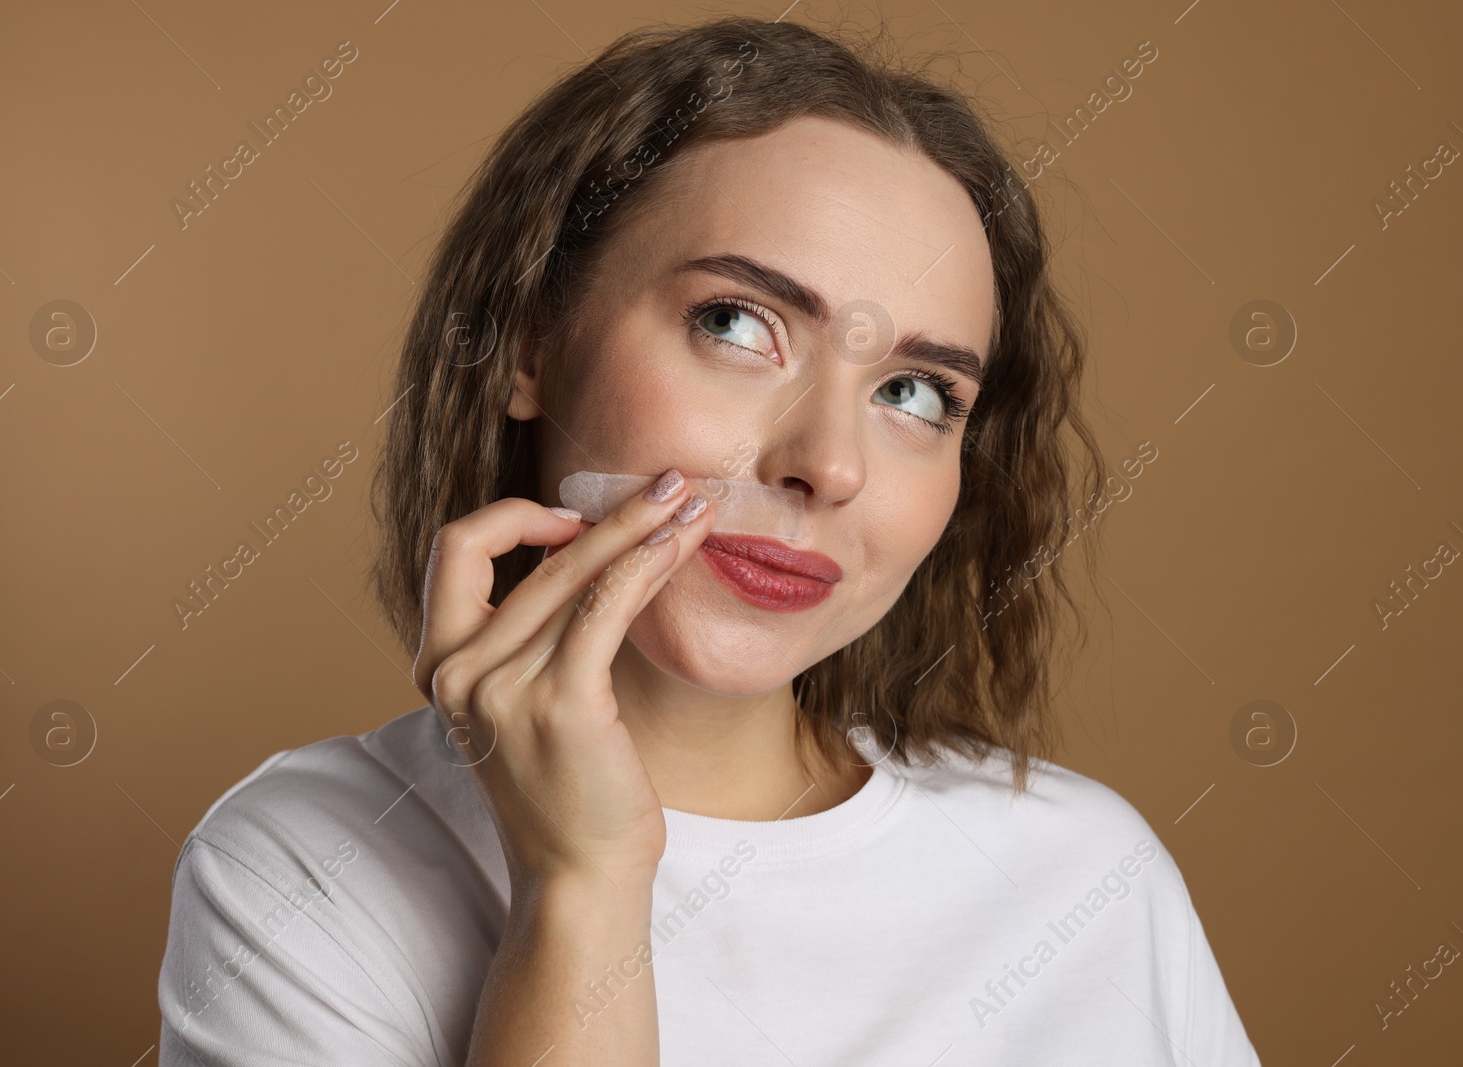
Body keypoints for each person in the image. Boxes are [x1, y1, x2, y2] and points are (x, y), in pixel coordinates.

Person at [157, 15, 1262, 1066]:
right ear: (529, 344)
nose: (826, 464)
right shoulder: (306, 863)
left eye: (915, 392)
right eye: (737, 324)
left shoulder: (1082, 876)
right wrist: (581, 880)